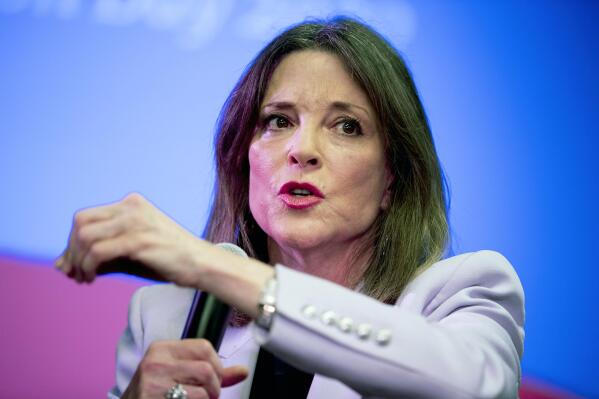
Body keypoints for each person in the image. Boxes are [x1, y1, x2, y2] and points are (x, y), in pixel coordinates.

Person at [56, 17, 525, 399]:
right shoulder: (161, 318)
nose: (302, 149)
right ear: (242, 159)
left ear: (391, 181)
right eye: (279, 120)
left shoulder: (461, 294)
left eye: (346, 126)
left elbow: (470, 388)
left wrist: (210, 266)